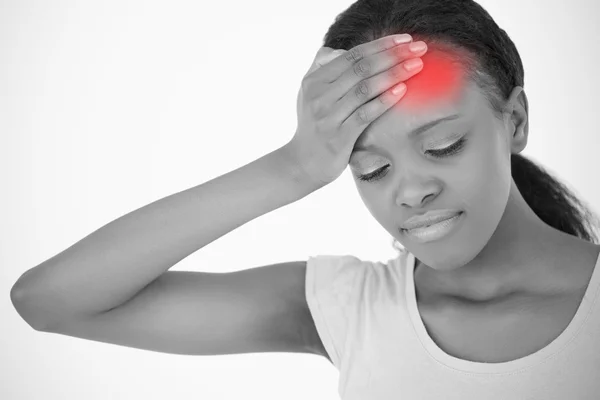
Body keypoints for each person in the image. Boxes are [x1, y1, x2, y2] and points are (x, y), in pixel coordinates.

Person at [10, 0, 600, 398]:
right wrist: (292, 168)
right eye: (370, 169)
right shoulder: (349, 310)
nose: (413, 190)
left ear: (516, 119)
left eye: (443, 145)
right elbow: (50, 302)